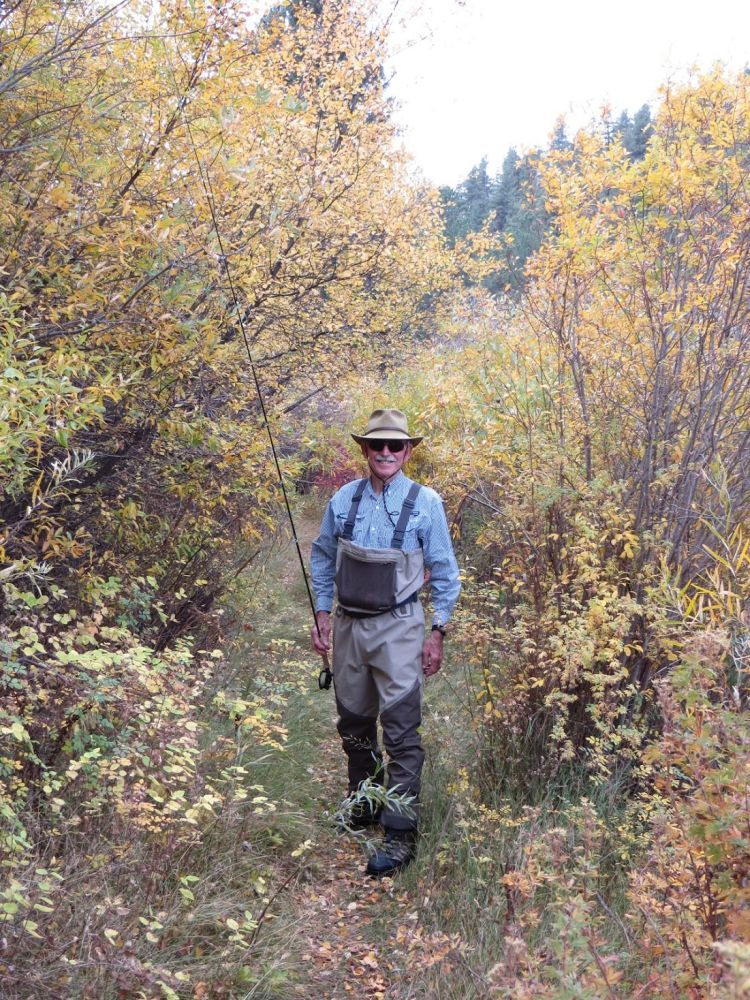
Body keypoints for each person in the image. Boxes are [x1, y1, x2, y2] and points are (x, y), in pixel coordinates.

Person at [310, 408, 461, 877]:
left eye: (396, 445)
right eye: (378, 444)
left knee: (400, 731)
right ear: (365, 449)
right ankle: (364, 801)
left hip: (400, 627)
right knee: (353, 722)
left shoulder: (426, 502)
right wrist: (322, 613)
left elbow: (445, 572)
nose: (387, 452)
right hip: (349, 627)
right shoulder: (343, 499)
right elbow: (322, 556)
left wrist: (438, 631)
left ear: (408, 451)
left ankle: (399, 833)